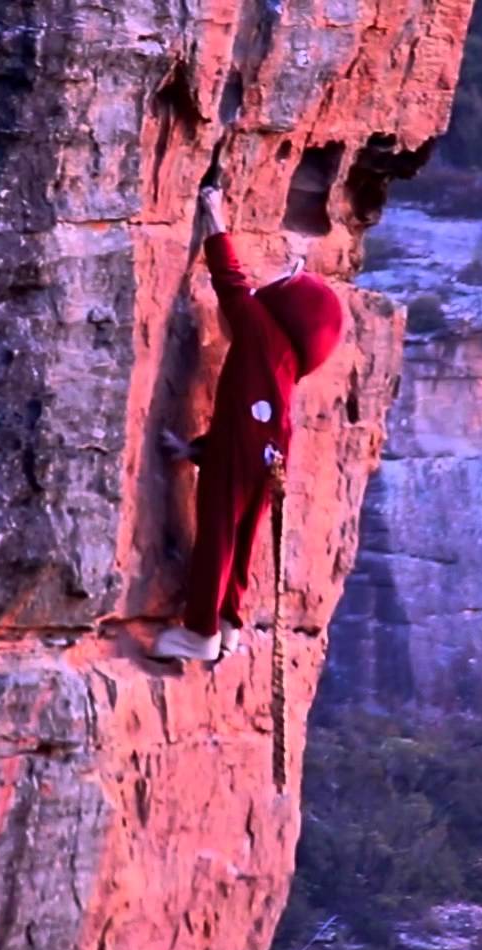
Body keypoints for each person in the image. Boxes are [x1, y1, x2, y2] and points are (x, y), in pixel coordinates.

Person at [150, 183, 345, 662]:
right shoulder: (284, 362)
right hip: (267, 448)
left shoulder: (261, 330)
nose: (274, 283)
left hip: (247, 446)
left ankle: (199, 632)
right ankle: (228, 622)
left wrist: (213, 215)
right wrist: (195, 451)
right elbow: (244, 418)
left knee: (218, 529)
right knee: (243, 535)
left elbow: (230, 282)